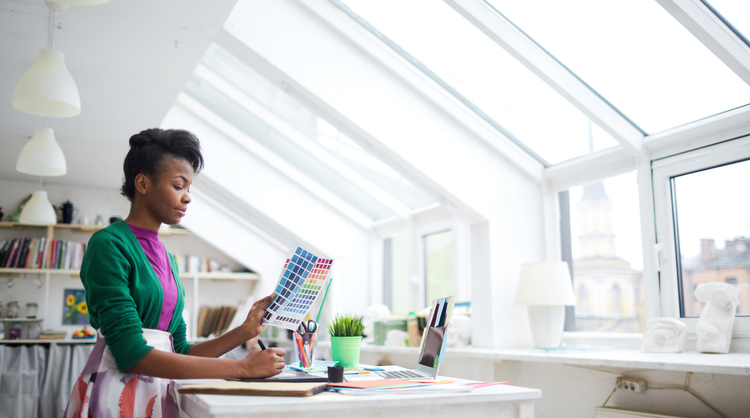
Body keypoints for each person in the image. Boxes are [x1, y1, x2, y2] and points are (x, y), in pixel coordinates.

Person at [64, 128, 285, 418]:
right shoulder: (109, 244)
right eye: (179, 186)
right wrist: (243, 368)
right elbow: (131, 355)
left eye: (189, 188)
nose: (188, 197)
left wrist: (244, 331)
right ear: (143, 183)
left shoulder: (168, 259)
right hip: (116, 395)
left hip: (157, 392)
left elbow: (178, 349)